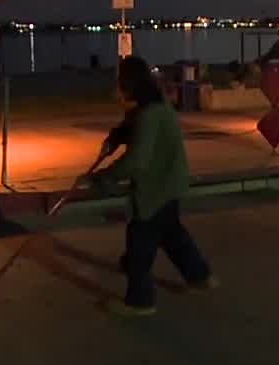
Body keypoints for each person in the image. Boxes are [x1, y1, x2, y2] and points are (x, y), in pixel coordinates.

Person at [90, 56, 217, 317]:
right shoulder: (153, 105)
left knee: (140, 241)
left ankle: (140, 301)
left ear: (130, 85)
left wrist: (105, 176)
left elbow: (137, 159)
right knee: (171, 234)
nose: (116, 90)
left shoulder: (149, 114)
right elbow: (130, 127)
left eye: (119, 84)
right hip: (171, 182)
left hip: (157, 187)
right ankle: (200, 276)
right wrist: (115, 137)